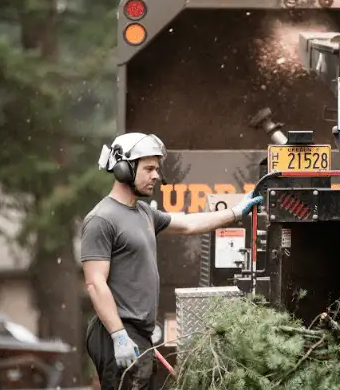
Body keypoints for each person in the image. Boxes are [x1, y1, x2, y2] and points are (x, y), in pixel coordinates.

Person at [80, 132, 262, 390]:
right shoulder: (101, 219)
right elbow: (95, 283)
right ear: (123, 169)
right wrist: (118, 334)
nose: (156, 175)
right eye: (149, 168)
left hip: (137, 334)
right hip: (118, 333)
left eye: (157, 168)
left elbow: (187, 224)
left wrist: (235, 212)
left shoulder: (143, 212)